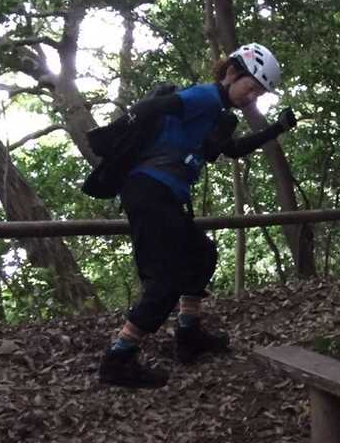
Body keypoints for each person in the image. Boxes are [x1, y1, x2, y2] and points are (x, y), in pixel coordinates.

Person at [98, 42, 297, 387]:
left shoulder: (218, 114)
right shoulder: (205, 97)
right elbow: (154, 107)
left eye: (259, 94)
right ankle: (118, 358)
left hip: (161, 195)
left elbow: (232, 150)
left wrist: (276, 128)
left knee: (201, 254)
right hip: (149, 192)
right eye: (251, 87)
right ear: (232, 73)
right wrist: (113, 133)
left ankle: (188, 334)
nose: (252, 97)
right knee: (167, 278)